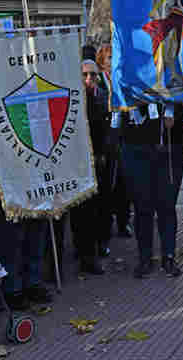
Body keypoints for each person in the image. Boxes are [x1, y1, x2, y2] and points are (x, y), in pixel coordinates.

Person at [119, 96, 183, 278]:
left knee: (167, 207)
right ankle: (145, 258)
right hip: (136, 148)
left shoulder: (171, 71)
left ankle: (169, 256)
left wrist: (175, 114)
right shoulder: (130, 73)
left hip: (169, 149)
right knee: (142, 208)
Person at [70, 60, 111, 275]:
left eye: (93, 75)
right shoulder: (72, 98)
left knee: (96, 208)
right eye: (85, 75)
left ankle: (93, 251)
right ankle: (81, 250)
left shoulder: (101, 96)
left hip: (97, 160)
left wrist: (102, 153)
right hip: (76, 162)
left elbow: (105, 128)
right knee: (79, 210)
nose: (89, 80)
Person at [131, 0, 183, 91]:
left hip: (170, 23)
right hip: (158, 24)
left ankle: (172, 77)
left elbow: (181, 6)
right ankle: (158, 81)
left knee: (171, 53)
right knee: (159, 52)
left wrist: (178, 9)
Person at [96, 44, 133, 239]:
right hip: (106, 139)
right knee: (108, 185)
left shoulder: (123, 80)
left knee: (124, 183)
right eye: (110, 57)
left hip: (123, 136)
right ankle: (105, 228)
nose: (113, 61)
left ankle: (123, 221)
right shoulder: (99, 82)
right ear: (102, 61)